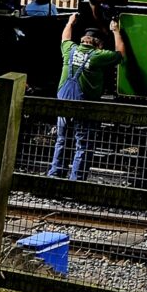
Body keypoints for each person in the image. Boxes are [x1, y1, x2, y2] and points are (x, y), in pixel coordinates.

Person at [48, 13, 126, 181]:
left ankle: (54, 175)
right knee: (83, 143)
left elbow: (65, 37)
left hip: (63, 101)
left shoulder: (70, 50)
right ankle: (76, 180)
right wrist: (116, 31)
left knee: (61, 140)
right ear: (98, 44)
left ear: (83, 39)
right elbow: (120, 54)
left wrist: (70, 22)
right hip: (84, 104)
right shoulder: (98, 56)